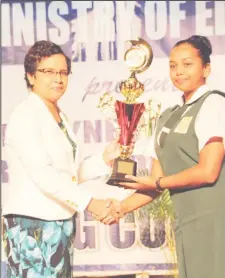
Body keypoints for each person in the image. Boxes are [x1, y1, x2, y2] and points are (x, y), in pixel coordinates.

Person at [1, 40, 129, 277]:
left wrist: (105, 158)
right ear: (31, 76)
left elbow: (68, 173)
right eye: (48, 72)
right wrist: (92, 203)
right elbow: (44, 175)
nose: (58, 79)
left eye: (62, 72)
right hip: (32, 224)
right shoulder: (25, 115)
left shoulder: (61, 117)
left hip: (60, 222)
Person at [104, 35, 225, 278]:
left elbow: (208, 171)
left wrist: (157, 183)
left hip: (215, 222)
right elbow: (156, 182)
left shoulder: (214, 104)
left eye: (187, 64)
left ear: (206, 69)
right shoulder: (167, 116)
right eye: (172, 65)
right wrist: (121, 207)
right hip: (184, 223)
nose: (178, 71)